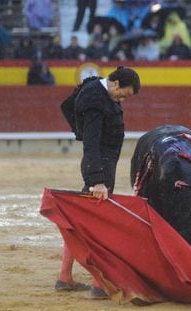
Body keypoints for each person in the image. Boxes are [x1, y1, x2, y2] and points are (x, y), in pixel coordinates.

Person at [56, 67, 141, 298]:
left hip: (103, 163)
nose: (122, 100)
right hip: (100, 167)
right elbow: (91, 143)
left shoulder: (97, 89)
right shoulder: (95, 98)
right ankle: (98, 283)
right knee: (95, 226)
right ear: (114, 83)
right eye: (123, 94)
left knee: (81, 222)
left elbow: (67, 105)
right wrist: (97, 180)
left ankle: (65, 277)